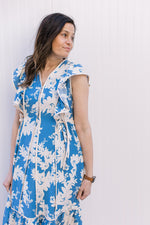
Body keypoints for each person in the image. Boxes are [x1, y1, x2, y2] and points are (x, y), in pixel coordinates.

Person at [2, 12, 96, 224]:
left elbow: (83, 127)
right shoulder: (25, 72)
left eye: (72, 37)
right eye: (64, 35)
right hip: (25, 167)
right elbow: (18, 123)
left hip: (60, 168)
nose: (69, 42)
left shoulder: (75, 75)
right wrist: (11, 169)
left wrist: (89, 177)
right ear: (49, 34)